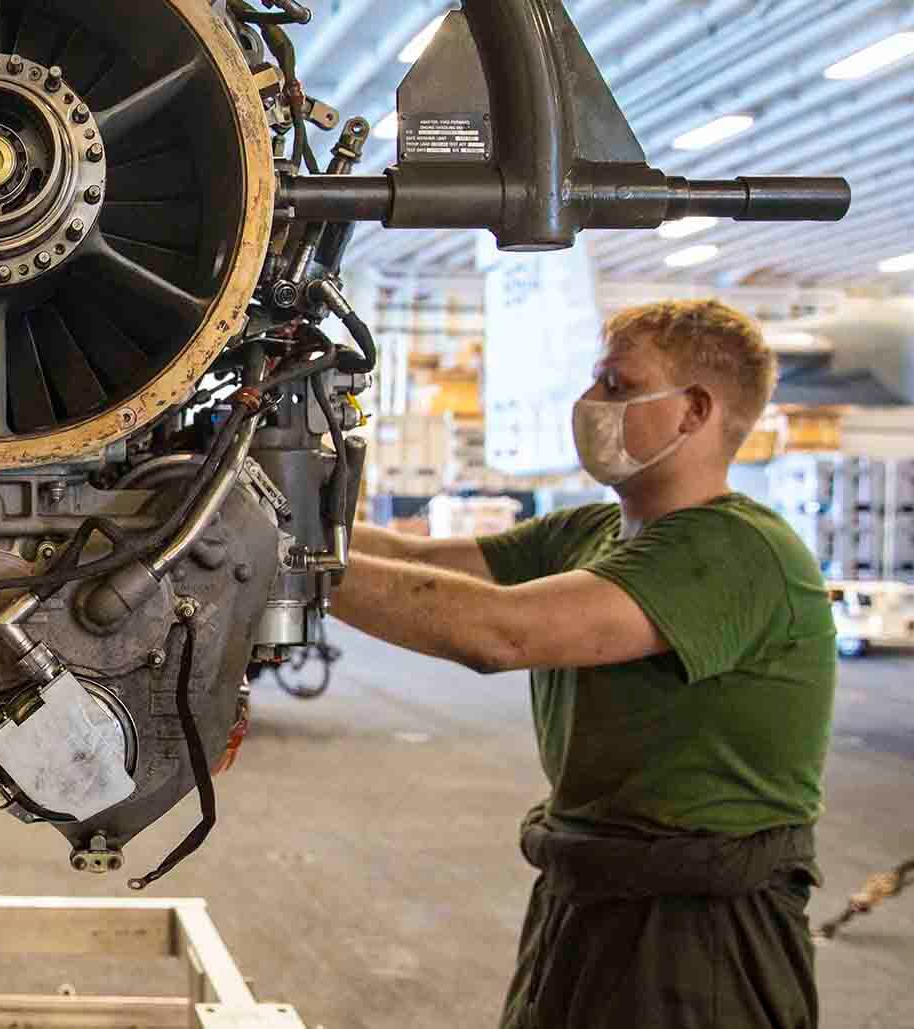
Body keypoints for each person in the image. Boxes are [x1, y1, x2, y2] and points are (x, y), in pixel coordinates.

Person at [330, 299, 833, 1029]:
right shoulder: (597, 529)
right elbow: (416, 561)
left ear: (694, 410)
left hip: (698, 932)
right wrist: (273, 510)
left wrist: (273, 553)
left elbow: (501, 633)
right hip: (592, 889)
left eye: (617, 385)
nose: (588, 403)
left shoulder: (735, 550)